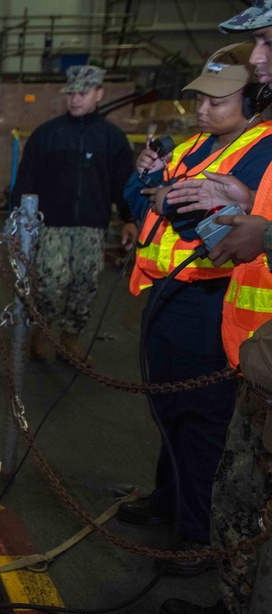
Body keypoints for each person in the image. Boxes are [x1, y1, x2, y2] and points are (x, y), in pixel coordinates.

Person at [152, 2, 272, 614]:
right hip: (253, 344)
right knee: (239, 493)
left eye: (265, 41)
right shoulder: (228, 147)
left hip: (231, 320)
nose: (257, 58)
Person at [118, 43, 272, 576]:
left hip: (209, 300)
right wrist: (147, 181)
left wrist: (166, 197)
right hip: (168, 292)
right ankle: (168, 499)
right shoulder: (195, 146)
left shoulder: (260, 151)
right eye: (198, 100)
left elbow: (207, 223)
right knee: (168, 411)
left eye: (215, 101)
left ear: (250, 101)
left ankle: (196, 535)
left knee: (202, 422)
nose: (202, 110)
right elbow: (142, 199)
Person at [11, 65, 137, 364]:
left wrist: (130, 218)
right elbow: (26, 180)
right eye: (72, 93)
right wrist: (20, 221)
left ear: (99, 93)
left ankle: (70, 340)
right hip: (52, 224)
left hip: (92, 227)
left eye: (83, 93)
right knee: (52, 283)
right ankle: (42, 333)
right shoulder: (47, 135)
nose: (75, 99)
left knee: (85, 284)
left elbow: (123, 183)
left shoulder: (112, 139)